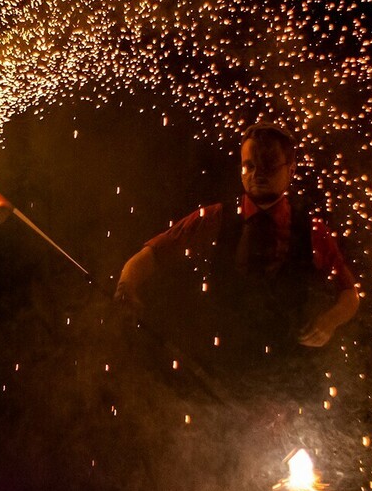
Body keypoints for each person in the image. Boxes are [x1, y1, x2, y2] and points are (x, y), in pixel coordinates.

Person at [113, 121, 359, 387]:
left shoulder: (312, 231)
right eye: (249, 166)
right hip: (219, 371)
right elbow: (153, 253)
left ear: (291, 170)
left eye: (268, 165)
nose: (257, 174)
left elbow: (350, 293)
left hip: (287, 377)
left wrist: (330, 321)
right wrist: (126, 286)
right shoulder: (215, 217)